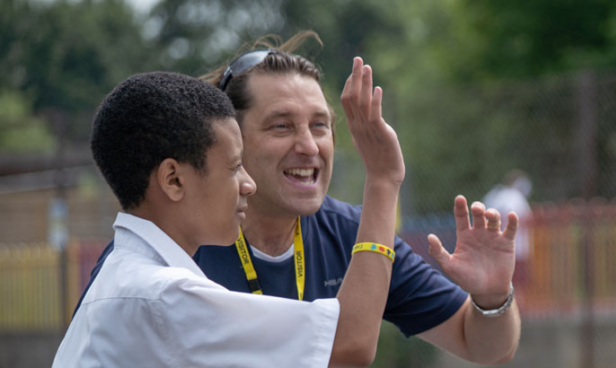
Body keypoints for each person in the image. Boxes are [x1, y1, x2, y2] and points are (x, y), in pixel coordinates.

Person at [77, 32, 521, 365]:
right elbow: (346, 349)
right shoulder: (169, 261)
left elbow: (483, 344)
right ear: (229, 141)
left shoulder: (353, 234)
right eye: (282, 126)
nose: (309, 145)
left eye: (321, 125)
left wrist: (493, 297)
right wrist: (383, 181)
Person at [54, 70, 407, 366]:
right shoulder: (162, 297)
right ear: (173, 180)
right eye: (235, 167)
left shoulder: (125, 279)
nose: (248, 184)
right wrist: (382, 181)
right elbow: (348, 345)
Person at [482, 170, 533, 292]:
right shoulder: (515, 197)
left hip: (494, 246)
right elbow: (525, 217)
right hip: (517, 246)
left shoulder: (496, 195)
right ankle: (517, 307)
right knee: (517, 283)